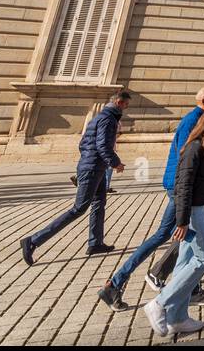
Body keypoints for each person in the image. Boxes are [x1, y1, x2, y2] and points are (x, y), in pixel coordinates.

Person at [100, 87, 204, 310]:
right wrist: (185, 199)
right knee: (171, 238)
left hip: (185, 190)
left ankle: (184, 288)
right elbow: (187, 162)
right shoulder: (193, 121)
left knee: (182, 240)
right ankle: (119, 284)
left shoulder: (200, 120)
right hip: (182, 190)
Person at [144, 106, 204, 337]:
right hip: (194, 212)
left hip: (201, 208)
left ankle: (177, 317)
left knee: (184, 262)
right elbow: (183, 186)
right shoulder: (194, 149)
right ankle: (159, 303)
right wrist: (182, 220)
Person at [20, 90, 128, 264]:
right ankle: (33, 240)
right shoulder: (108, 119)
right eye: (125, 105)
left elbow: (82, 144)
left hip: (93, 166)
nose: (125, 109)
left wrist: (91, 160)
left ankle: (95, 243)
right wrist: (115, 162)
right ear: (119, 103)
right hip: (92, 168)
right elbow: (102, 145)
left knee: (99, 203)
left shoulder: (98, 117)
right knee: (78, 209)